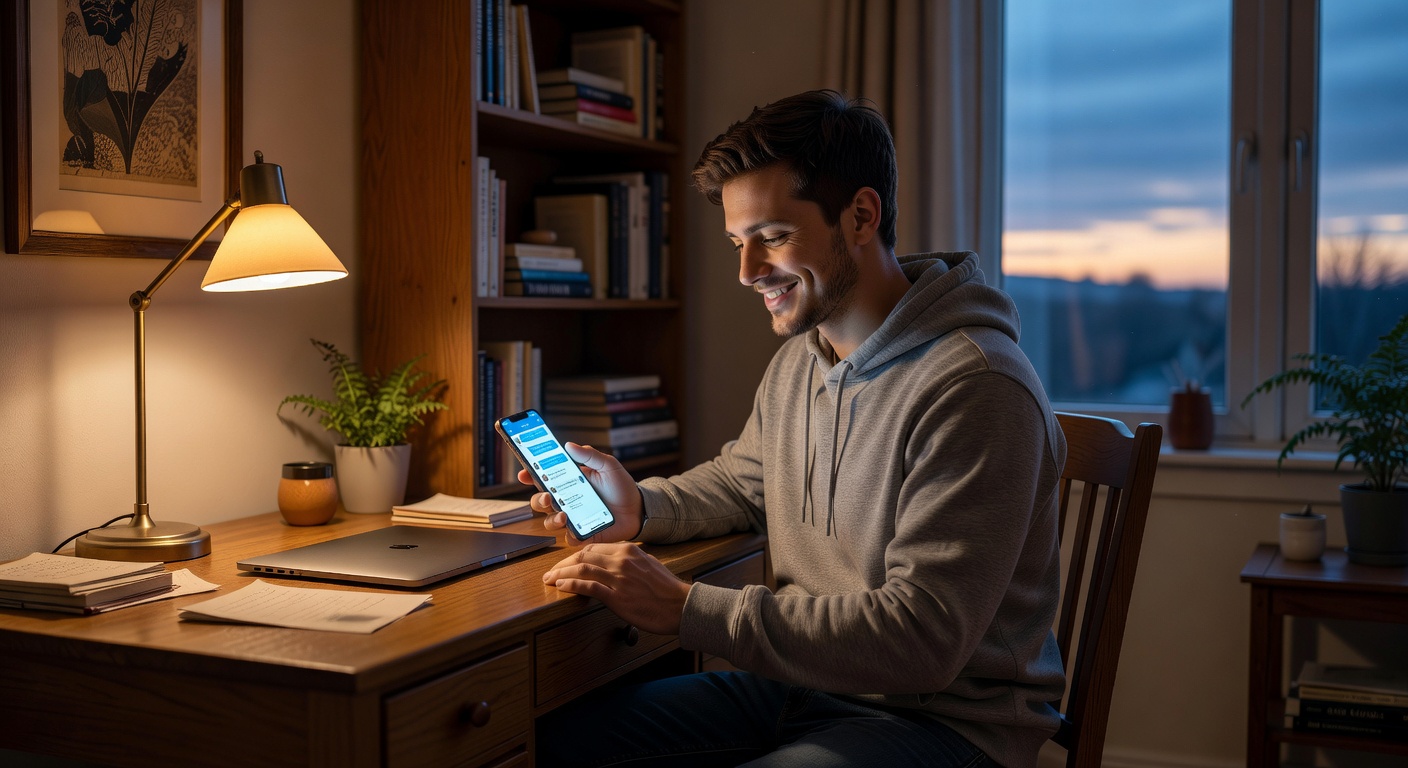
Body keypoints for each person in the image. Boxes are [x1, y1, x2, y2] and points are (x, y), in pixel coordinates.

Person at [526, 89, 1067, 768]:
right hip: (803, 689)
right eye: (738, 243)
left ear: (861, 215)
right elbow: (745, 482)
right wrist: (642, 506)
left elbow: (922, 641)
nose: (748, 273)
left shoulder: (978, 386)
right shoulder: (800, 362)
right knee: (550, 745)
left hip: (948, 727)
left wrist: (690, 609)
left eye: (773, 238)